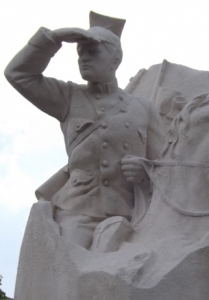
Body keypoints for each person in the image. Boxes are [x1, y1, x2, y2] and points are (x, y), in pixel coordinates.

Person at [5, 12, 164, 250]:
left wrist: (146, 169)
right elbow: (19, 74)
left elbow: (164, 164)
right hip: (77, 212)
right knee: (66, 270)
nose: (83, 59)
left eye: (93, 52)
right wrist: (53, 38)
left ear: (115, 59)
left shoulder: (144, 109)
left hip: (130, 213)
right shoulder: (68, 97)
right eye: (80, 53)